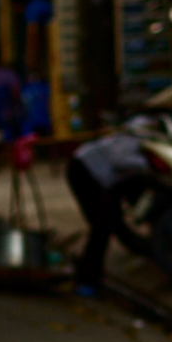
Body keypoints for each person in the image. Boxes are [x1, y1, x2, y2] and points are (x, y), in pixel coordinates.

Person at [66, 119, 151, 295]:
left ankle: (146, 250)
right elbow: (120, 160)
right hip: (86, 172)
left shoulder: (139, 130)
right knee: (102, 227)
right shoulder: (139, 135)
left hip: (98, 176)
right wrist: (147, 164)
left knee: (111, 221)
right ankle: (87, 280)